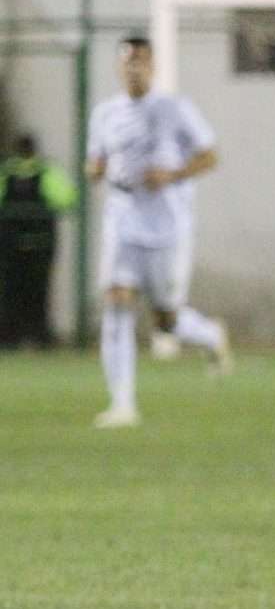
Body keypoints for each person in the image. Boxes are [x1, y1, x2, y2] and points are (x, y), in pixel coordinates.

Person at [85, 36, 233, 427]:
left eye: (141, 61)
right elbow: (95, 161)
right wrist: (94, 171)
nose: (133, 68)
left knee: (166, 319)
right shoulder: (104, 113)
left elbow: (210, 156)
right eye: (127, 62)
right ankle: (122, 404)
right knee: (116, 300)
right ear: (119, 68)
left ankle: (210, 335)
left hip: (168, 224)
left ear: (152, 66)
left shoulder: (174, 108)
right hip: (122, 219)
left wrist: (173, 174)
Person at [0, 132, 77, 347]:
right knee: (39, 291)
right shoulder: (48, 170)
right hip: (42, 242)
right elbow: (67, 199)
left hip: (9, 243)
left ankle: (9, 337)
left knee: (10, 290)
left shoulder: (6, 171)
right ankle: (38, 336)